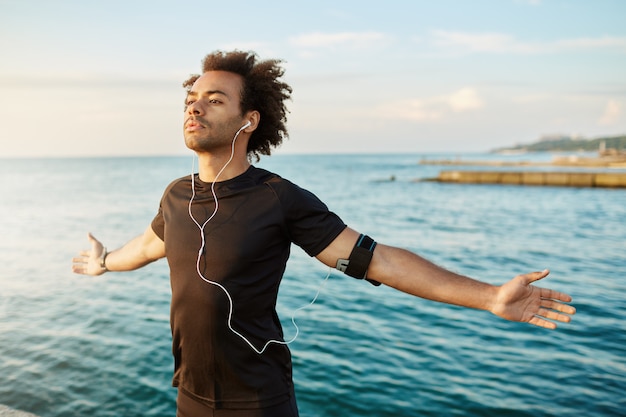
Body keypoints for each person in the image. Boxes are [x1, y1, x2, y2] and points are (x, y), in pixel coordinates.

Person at [72, 50, 576, 417]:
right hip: (189, 396)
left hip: (258, 403)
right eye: (191, 98)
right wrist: (101, 261)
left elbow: (377, 260)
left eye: (213, 99)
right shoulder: (176, 195)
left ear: (249, 119)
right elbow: (147, 247)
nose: (194, 107)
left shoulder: (278, 198)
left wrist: (488, 297)